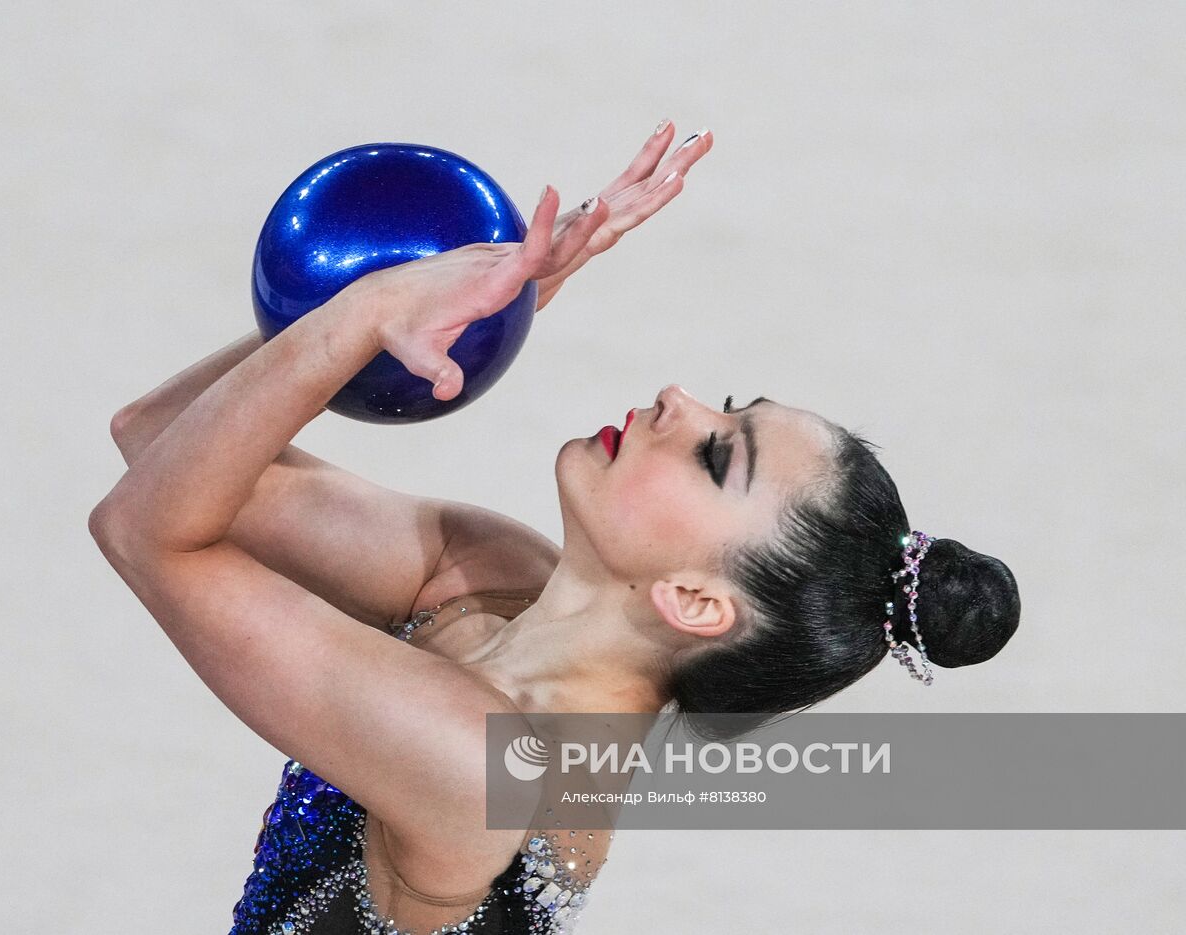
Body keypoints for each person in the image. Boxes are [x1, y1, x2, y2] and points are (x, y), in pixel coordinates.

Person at [90, 121, 1020, 935]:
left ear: (694, 599)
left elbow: (143, 529)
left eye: (714, 456)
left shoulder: (484, 762)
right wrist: (485, 305)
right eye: (727, 406)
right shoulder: (496, 576)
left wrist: (371, 310)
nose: (677, 400)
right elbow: (160, 443)